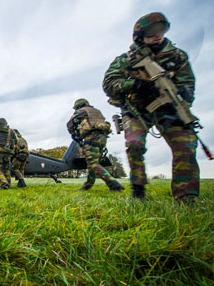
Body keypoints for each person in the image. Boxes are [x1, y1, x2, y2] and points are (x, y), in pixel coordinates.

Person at [103, 12, 199, 201]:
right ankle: (138, 189)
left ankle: (186, 197)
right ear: (140, 37)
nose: (158, 35)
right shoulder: (126, 60)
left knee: (186, 145)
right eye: (152, 32)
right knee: (134, 144)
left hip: (169, 109)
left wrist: (184, 98)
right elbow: (109, 84)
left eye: (162, 30)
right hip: (137, 110)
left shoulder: (177, 57)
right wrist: (134, 85)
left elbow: (188, 83)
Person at [67, 98, 125, 192]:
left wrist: (75, 135)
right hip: (102, 138)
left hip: (91, 137)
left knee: (93, 164)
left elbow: (70, 124)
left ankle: (114, 184)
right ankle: (88, 185)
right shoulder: (96, 111)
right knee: (92, 163)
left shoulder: (81, 111)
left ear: (78, 106)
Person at [0, 118, 18, 189]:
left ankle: (4, 182)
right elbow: (16, 141)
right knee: (6, 169)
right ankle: (8, 184)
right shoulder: (11, 131)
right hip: (7, 153)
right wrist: (11, 147)